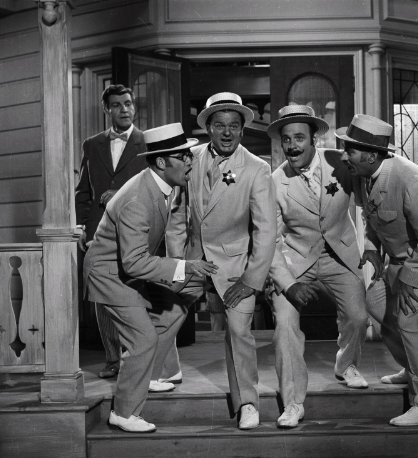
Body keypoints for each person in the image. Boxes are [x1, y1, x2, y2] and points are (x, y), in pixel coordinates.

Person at [83, 123, 217, 433]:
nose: (190, 161)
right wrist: (185, 267)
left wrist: (183, 271)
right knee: (142, 340)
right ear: (160, 162)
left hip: (130, 268)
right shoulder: (137, 199)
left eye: (189, 154)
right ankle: (124, 412)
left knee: (175, 307)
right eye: (182, 156)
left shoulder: (163, 184)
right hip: (109, 274)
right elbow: (133, 263)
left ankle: (147, 376)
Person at [157, 92, 276, 430]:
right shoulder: (190, 159)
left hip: (236, 266)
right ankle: (159, 375)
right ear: (208, 128)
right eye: (220, 125)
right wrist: (176, 262)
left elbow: (266, 231)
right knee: (163, 316)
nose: (227, 132)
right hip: (193, 258)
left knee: (239, 332)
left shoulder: (257, 169)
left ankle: (247, 403)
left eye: (234, 126)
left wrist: (252, 279)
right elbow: (177, 215)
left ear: (242, 130)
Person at [337, 114, 418, 427]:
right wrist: (371, 249)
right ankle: (412, 367)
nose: (344, 156)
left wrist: (408, 280)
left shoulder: (411, 181)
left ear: (372, 155)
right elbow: (372, 217)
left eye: (350, 150)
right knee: (376, 303)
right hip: (401, 255)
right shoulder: (364, 174)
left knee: (408, 319)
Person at [266, 104, 369, 429]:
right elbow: (269, 241)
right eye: (286, 139)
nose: (292, 145)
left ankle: (346, 364)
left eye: (299, 138)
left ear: (314, 139)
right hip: (295, 260)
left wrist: (372, 247)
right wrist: (287, 282)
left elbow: (370, 204)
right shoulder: (274, 182)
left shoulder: (340, 162)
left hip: (340, 254)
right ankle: (292, 402)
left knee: (358, 316)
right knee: (285, 326)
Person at [75, 84, 150, 380]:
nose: (124, 109)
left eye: (128, 103)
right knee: (103, 294)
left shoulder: (147, 142)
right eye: (117, 105)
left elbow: (153, 185)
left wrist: (119, 194)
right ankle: (112, 359)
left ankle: (135, 358)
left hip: (136, 229)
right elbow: (83, 191)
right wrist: (83, 226)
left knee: (134, 294)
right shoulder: (92, 145)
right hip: (99, 230)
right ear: (107, 109)